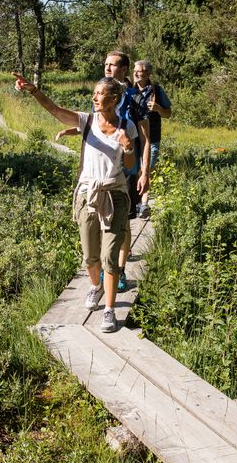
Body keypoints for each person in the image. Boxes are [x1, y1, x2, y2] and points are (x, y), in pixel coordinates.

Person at [14, 71, 137, 333]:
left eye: (100, 93)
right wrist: (34, 91)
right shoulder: (87, 120)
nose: (94, 97)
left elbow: (129, 165)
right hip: (86, 195)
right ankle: (94, 287)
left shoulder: (128, 127)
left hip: (114, 194)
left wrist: (128, 147)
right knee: (91, 257)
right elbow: (55, 110)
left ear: (114, 98)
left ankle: (109, 310)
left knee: (109, 257)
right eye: (94, 93)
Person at [131, 60, 172, 218]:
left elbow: (168, 113)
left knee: (147, 169)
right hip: (133, 138)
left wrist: (158, 108)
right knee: (135, 170)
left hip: (152, 138)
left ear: (147, 74)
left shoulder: (157, 91)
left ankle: (144, 204)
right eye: (134, 70)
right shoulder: (129, 90)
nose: (135, 73)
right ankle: (136, 201)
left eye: (139, 71)